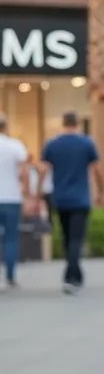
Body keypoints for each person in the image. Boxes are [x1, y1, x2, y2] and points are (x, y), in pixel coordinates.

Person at [39, 111, 103, 294]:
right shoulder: (86, 143)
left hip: (60, 198)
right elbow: (97, 169)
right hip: (80, 198)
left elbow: (43, 170)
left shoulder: (52, 144)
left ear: (63, 123)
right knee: (76, 239)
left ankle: (75, 274)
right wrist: (101, 190)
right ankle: (71, 277)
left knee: (67, 238)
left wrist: (37, 193)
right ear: (77, 124)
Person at [0, 114, 29, 288]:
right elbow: (23, 173)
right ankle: (10, 276)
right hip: (11, 197)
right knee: (11, 238)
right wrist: (26, 194)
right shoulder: (15, 146)